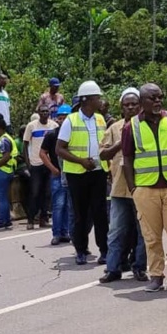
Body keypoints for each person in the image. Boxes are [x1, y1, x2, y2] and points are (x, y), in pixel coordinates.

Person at [123, 83, 167, 291]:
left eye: (160, 97)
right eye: (153, 98)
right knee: (151, 236)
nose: (158, 101)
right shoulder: (131, 127)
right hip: (145, 188)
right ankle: (156, 275)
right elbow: (127, 159)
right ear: (142, 102)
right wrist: (133, 189)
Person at [56, 81, 110, 265]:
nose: (100, 101)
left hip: (98, 172)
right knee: (80, 214)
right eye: (97, 97)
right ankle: (81, 250)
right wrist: (81, 161)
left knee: (100, 213)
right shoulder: (71, 120)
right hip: (77, 174)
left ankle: (104, 251)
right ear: (87, 100)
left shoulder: (101, 119)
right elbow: (59, 149)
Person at [100, 88, 148, 283]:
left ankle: (139, 267)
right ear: (122, 108)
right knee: (116, 230)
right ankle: (113, 268)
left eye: (134, 104)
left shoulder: (148, 126)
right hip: (120, 188)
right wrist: (122, 141)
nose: (131, 107)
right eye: (127, 105)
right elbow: (103, 154)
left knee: (144, 231)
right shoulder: (114, 128)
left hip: (144, 186)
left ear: (140, 106)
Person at [40, 104, 72, 245]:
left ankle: (66, 232)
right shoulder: (52, 134)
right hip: (58, 174)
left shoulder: (75, 134)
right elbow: (42, 153)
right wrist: (53, 168)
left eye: (65, 117)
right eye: (60, 117)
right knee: (59, 205)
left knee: (69, 205)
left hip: (72, 173)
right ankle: (57, 233)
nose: (62, 120)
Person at [23, 105, 58, 230]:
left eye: (46, 111)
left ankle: (44, 218)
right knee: (35, 192)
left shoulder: (54, 126)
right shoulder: (31, 126)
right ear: (38, 113)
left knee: (47, 192)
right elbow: (25, 145)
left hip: (49, 163)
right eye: (42, 111)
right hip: (36, 163)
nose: (44, 113)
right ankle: (31, 219)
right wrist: (28, 163)